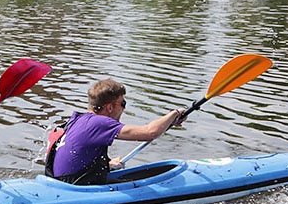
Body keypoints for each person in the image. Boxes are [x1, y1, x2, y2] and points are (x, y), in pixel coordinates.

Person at [45, 78, 185, 186]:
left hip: (60, 182)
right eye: (122, 104)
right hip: (76, 188)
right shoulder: (99, 123)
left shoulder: (77, 120)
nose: (124, 109)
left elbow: (78, 156)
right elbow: (150, 132)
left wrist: (108, 165)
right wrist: (175, 113)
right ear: (110, 107)